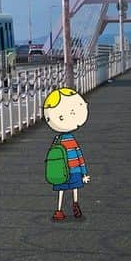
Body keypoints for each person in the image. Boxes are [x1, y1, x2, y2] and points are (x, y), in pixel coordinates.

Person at [43, 87, 90, 221]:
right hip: (74, 169)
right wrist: (84, 172)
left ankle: (59, 210)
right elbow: (79, 156)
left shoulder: (57, 140)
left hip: (61, 170)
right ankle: (75, 204)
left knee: (61, 190)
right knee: (74, 187)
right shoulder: (72, 141)